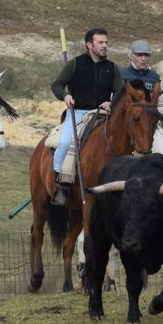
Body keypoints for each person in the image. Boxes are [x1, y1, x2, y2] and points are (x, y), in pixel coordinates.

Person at [48, 27, 121, 206]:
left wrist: (112, 103)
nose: (104, 46)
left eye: (106, 42)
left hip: (103, 114)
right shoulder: (75, 64)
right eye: (100, 42)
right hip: (78, 112)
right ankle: (61, 184)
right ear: (89, 45)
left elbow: (120, 92)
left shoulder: (112, 68)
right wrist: (65, 96)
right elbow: (57, 84)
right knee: (65, 143)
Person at [119, 39, 163, 106]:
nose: (143, 59)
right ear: (131, 56)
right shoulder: (121, 75)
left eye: (146, 55)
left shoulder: (155, 77)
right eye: (139, 55)